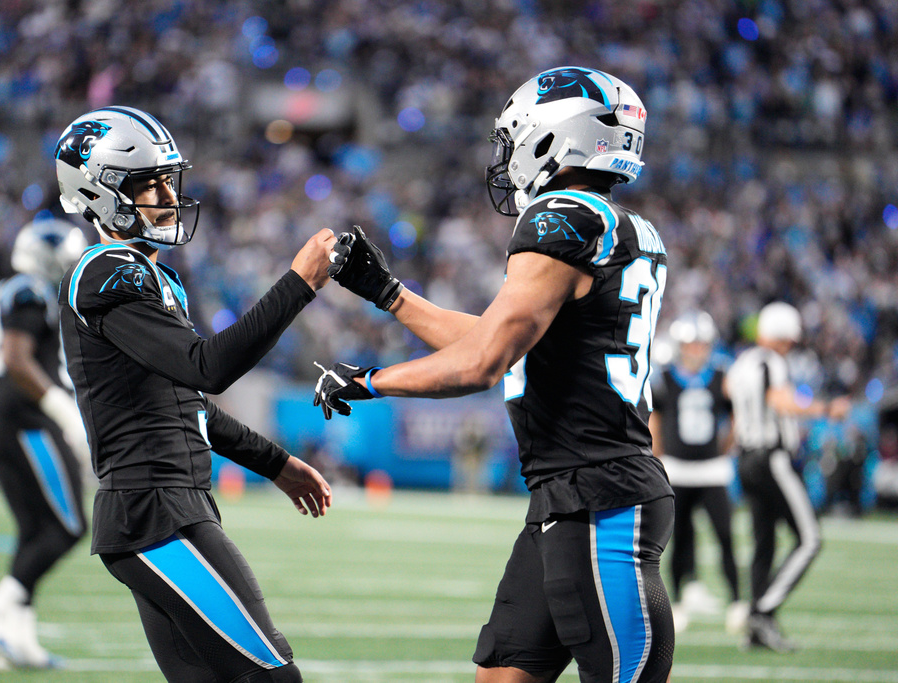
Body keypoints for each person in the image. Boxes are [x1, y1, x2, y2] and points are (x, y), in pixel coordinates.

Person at [316, 67, 674, 683]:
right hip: (566, 497)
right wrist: (389, 293)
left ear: (553, 137)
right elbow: (502, 340)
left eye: (514, 138)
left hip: (599, 499)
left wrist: (371, 381)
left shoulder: (561, 217)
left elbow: (485, 362)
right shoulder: (623, 228)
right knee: (502, 676)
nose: (506, 158)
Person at [53, 105, 333, 682]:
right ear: (98, 193)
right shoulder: (108, 271)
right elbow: (208, 368)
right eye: (147, 183)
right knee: (272, 676)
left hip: (166, 508)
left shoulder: (148, 273)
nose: (166, 195)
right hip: (154, 511)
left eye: (166, 179)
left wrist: (276, 463)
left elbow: (187, 404)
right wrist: (298, 285)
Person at [0, 217, 90, 669]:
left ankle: (17, 640)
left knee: (36, 531)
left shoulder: (12, 289)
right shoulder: (31, 291)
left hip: (2, 417)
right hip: (26, 420)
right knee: (69, 527)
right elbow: (16, 358)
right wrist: (59, 407)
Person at [725, 301, 849, 652]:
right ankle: (761, 612)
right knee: (810, 539)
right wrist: (825, 409)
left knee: (764, 543)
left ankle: (756, 630)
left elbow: (732, 403)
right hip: (770, 458)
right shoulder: (771, 362)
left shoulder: (742, 362)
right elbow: (779, 401)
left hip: (746, 457)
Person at [650, 311, 745, 634]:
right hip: (677, 468)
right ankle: (678, 603)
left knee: (725, 536)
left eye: (702, 343)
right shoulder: (665, 376)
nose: (696, 349)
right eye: (691, 343)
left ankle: (737, 602)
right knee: (679, 539)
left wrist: (725, 447)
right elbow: (656, 421)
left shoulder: (721, 375)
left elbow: (735, 417)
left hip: (712, 469)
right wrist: (658, 456)